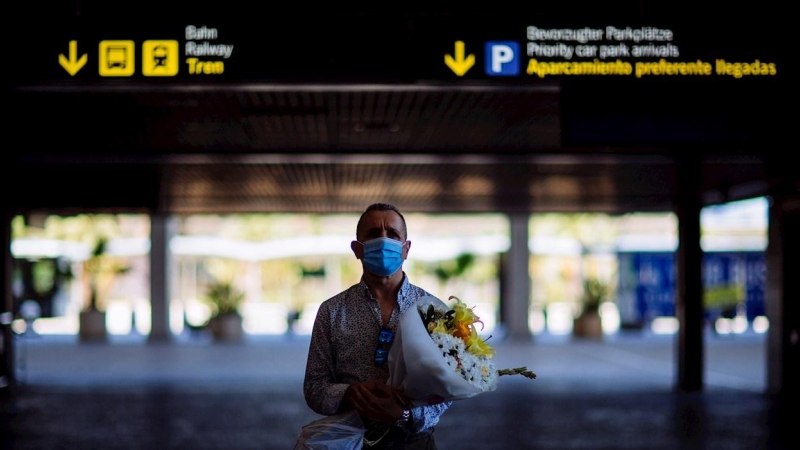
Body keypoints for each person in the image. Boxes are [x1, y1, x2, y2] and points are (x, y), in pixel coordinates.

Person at [302, 202, 450, 449]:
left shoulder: (432, 311)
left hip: (414, 442)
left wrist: (404, 414)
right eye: (373, 234)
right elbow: (314, 387)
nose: (383, 241)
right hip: (350, 440)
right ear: (357, 249)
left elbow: (446, 389)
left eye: (392, 234)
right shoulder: (332, 311)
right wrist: (351, 393)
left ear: (406, 248)